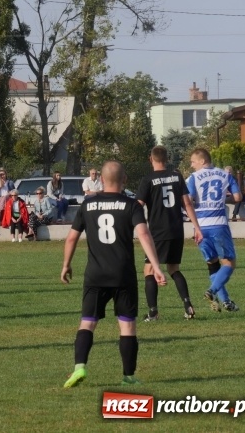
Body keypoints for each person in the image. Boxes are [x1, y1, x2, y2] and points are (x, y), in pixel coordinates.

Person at [61, 161, 166, 388]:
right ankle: (128, 376)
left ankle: (79, 367)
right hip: (123, 274)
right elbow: (144, 235)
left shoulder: (87, 205)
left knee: (87, 322)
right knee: (127, 325)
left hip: (95, 275)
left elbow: (71, 238)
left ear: (101, 179)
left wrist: (66, 264)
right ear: (125, 180)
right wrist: (156, 266)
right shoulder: (131, 205)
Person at [136, 146, 203, 321]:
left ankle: (153, 313)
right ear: (166, 159)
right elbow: (187, 204)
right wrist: (197, 227)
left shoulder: (148, 180)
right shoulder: (177, 176)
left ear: (151, 159)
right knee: (174, 269)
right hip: (176, 231)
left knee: (149, 270)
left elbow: (138, 205)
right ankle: (188, 305)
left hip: (158, 233)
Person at [186, 148, 241, 312]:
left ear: (202, 161)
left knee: (212, 264)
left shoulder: (193, 178)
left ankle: (226, 302)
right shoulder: (225, 175)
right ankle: (212, 291)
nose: (191, 165)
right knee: (229, 262)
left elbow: (188, 200)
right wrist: (225, 199)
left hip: (201, 227)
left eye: (193, 162)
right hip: (218, 224)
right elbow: (238, 198)